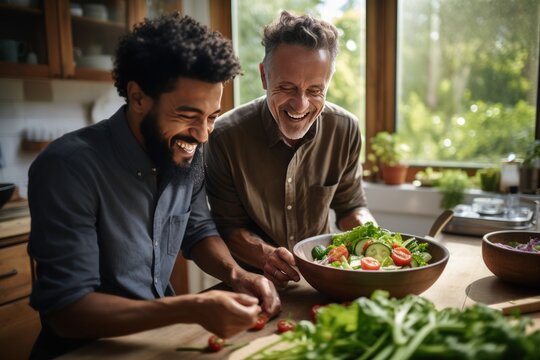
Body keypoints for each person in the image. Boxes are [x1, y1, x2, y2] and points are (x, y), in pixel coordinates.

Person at [27, 13, 280, 359]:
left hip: (158, 341)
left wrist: (236, 274)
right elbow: (67, 312)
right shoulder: (67, 168)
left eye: (212, 117)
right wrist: (191, 307)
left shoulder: (189, 149)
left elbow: (197, 228)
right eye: (189, 115)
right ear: (137, 98)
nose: (203, 134)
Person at [205, 11, 376, 289]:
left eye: (316, 91)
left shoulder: (346, 129)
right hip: (253, 283)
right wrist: (267, 256)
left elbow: (351, 206)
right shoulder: (224, 136)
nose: (301, 105)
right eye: (287, 87)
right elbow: (227, 226)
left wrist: (374, 238)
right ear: (264, 76)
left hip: (325, 277)